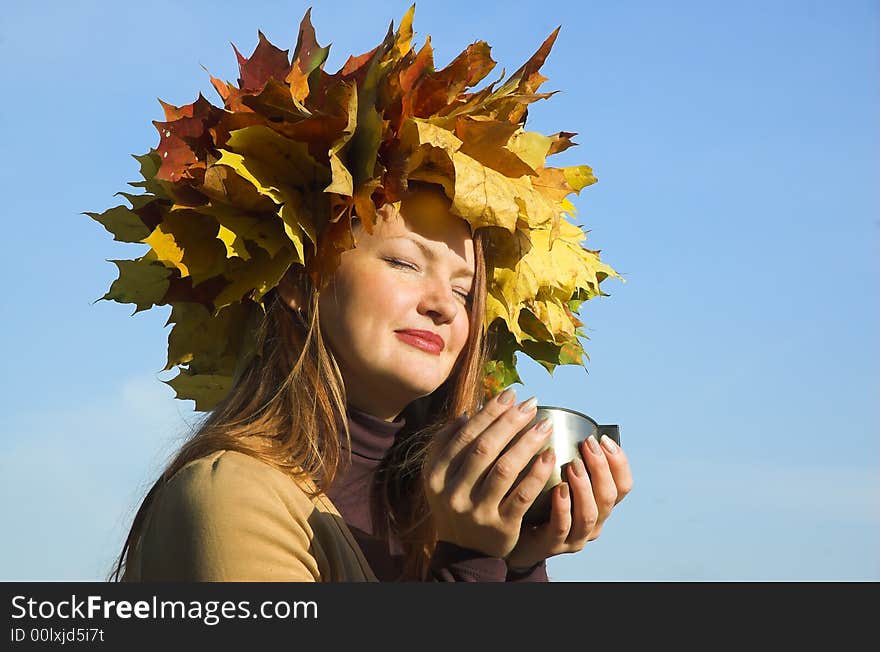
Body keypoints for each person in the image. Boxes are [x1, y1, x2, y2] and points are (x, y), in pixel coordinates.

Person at [94, 7, 632, 582]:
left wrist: (517, 562)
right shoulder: (233, 495)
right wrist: (471, 562)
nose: (444, 305)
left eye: (465, 289)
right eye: (404, 263)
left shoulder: (440, 521)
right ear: (303, 284)